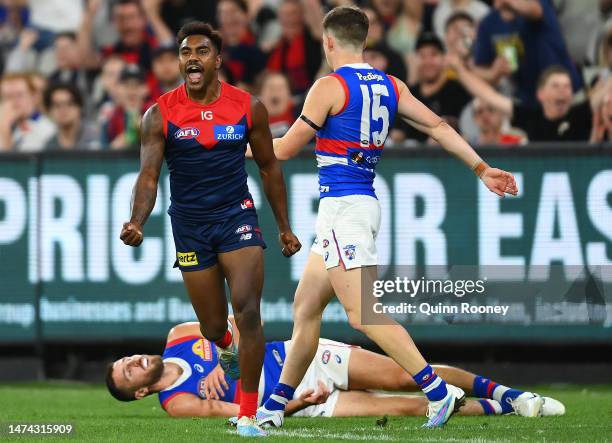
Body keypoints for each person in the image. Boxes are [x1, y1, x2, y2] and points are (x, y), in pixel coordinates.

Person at [254, 5, 518, 431]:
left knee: (363, 314)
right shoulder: (390, 84)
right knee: (306, 306)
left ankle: (436, 390)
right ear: (365, 40)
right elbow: (438, 128)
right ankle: (274, 407)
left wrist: (225, 146)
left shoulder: (329, 86)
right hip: (358, 206)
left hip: (344, 209)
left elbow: (281, 151)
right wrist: (481, 168)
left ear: (328, 42)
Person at [119, 21, 301, 437]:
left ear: (217, 60)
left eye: (201, 51)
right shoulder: (159, 112)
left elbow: (270, 167)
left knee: (248, 310)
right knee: (214, 327)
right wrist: (137, 221)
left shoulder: (248, 106)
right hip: (189, 227)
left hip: (237, 218)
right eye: (186, 53)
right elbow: (149, 177)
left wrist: (284, 228)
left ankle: (250, 414)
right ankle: (226, 349)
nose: (192, 59)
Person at [106, 319, 566, 419]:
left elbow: (237, 324)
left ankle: (509, 393)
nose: (134, 362)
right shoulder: (177, 403)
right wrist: (294, 403)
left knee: (409, 374)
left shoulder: (178, 336)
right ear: (141, 392)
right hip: (295, 400)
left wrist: (226, 357)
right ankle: (506, 412)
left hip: (296, 357)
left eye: (126, 359)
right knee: (408, 407)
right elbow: (237, 416)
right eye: (129, 373)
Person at [451, 57, 595, 142]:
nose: (563, 90)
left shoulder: (581, 114)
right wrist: (459, 69)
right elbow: (488, 95)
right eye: (555, 86)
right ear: (540, 94)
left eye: (567, 86)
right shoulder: (530, 116)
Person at [472, 0, 581, 107]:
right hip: (527, 99)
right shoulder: (487, 24)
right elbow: (478, 69)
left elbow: (535, 10)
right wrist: (494, 72)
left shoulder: (536, 4)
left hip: (566, 90)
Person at [398, 32, 471, 143]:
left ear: (444, 58)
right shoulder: (408, 93)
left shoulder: (458, 90)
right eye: (422, 56)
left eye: (433, 55)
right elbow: (399, 133)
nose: (428, 61)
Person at [0, 72, 55, 152]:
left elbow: (19, 162)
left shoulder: (46, 128)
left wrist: (4, 130)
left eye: (19, 95)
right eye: (8, 96)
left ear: (34, 96)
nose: (14, 101)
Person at [43, 83, 99, 150]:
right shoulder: (49, 146)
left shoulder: (96, 138)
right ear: (49, 111)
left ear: (79, 108)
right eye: (57, 105)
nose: (63, 110)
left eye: (69, 104)